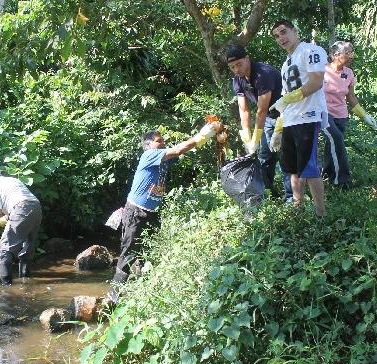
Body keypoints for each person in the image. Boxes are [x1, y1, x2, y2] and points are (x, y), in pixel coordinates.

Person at [109, 124, 221, 302]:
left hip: (152, 212)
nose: (163, 143)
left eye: (163, 141)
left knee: (149, 252)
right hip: (136, 211)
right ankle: (113, 295)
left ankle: (143, 291)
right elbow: (178, 149)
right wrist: (202, 135)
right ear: (148, 145)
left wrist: (208, 138)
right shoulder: (149, 155)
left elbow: (181, 151)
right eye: (159, 141)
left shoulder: (163, 158)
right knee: (129, 252)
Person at [268, 20, 327, 217]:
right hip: (291, 120)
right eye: (276, 36)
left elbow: (317, 81)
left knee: (309, 169)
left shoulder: (311, 50)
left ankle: (321, 215)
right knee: (292, 169)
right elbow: (285, 102)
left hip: (308, 117)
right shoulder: (285, 65)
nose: (281, 38)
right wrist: (278, 130)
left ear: (295, 31)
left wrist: (289, 98)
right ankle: (297, 208)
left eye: (283, 32)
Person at [226, 44, 293, 200]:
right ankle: (267, 195)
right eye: (232, 67)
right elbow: (244, 110)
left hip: (286, 116)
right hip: (269, 118)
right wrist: (247, 137)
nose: (236, 69)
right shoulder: (238, 80)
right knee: (265, 157)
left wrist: (255, 139)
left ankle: (290, 199)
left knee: (286, 157)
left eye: (239, 64)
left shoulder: (262, 74)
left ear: (247, 59)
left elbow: (261, 110)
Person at [323, 41, 377, 188]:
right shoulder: (322, 71)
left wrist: (365, 116)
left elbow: (351, 97)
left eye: (351, 52)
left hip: (341, 114)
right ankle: (342, 181)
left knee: (333, 143)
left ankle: (327, 173)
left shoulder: (348, 73)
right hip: (324, 113)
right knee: (337, 139)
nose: (351, 56)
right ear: (335, 55)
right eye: (347, 52)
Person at [0, 167, 42, 285]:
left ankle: (6, 287)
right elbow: (14, 213)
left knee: (4, 248)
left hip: (21, 208)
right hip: (36, 208)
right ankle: (26, 280)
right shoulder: (13, 181)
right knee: (27, 246)